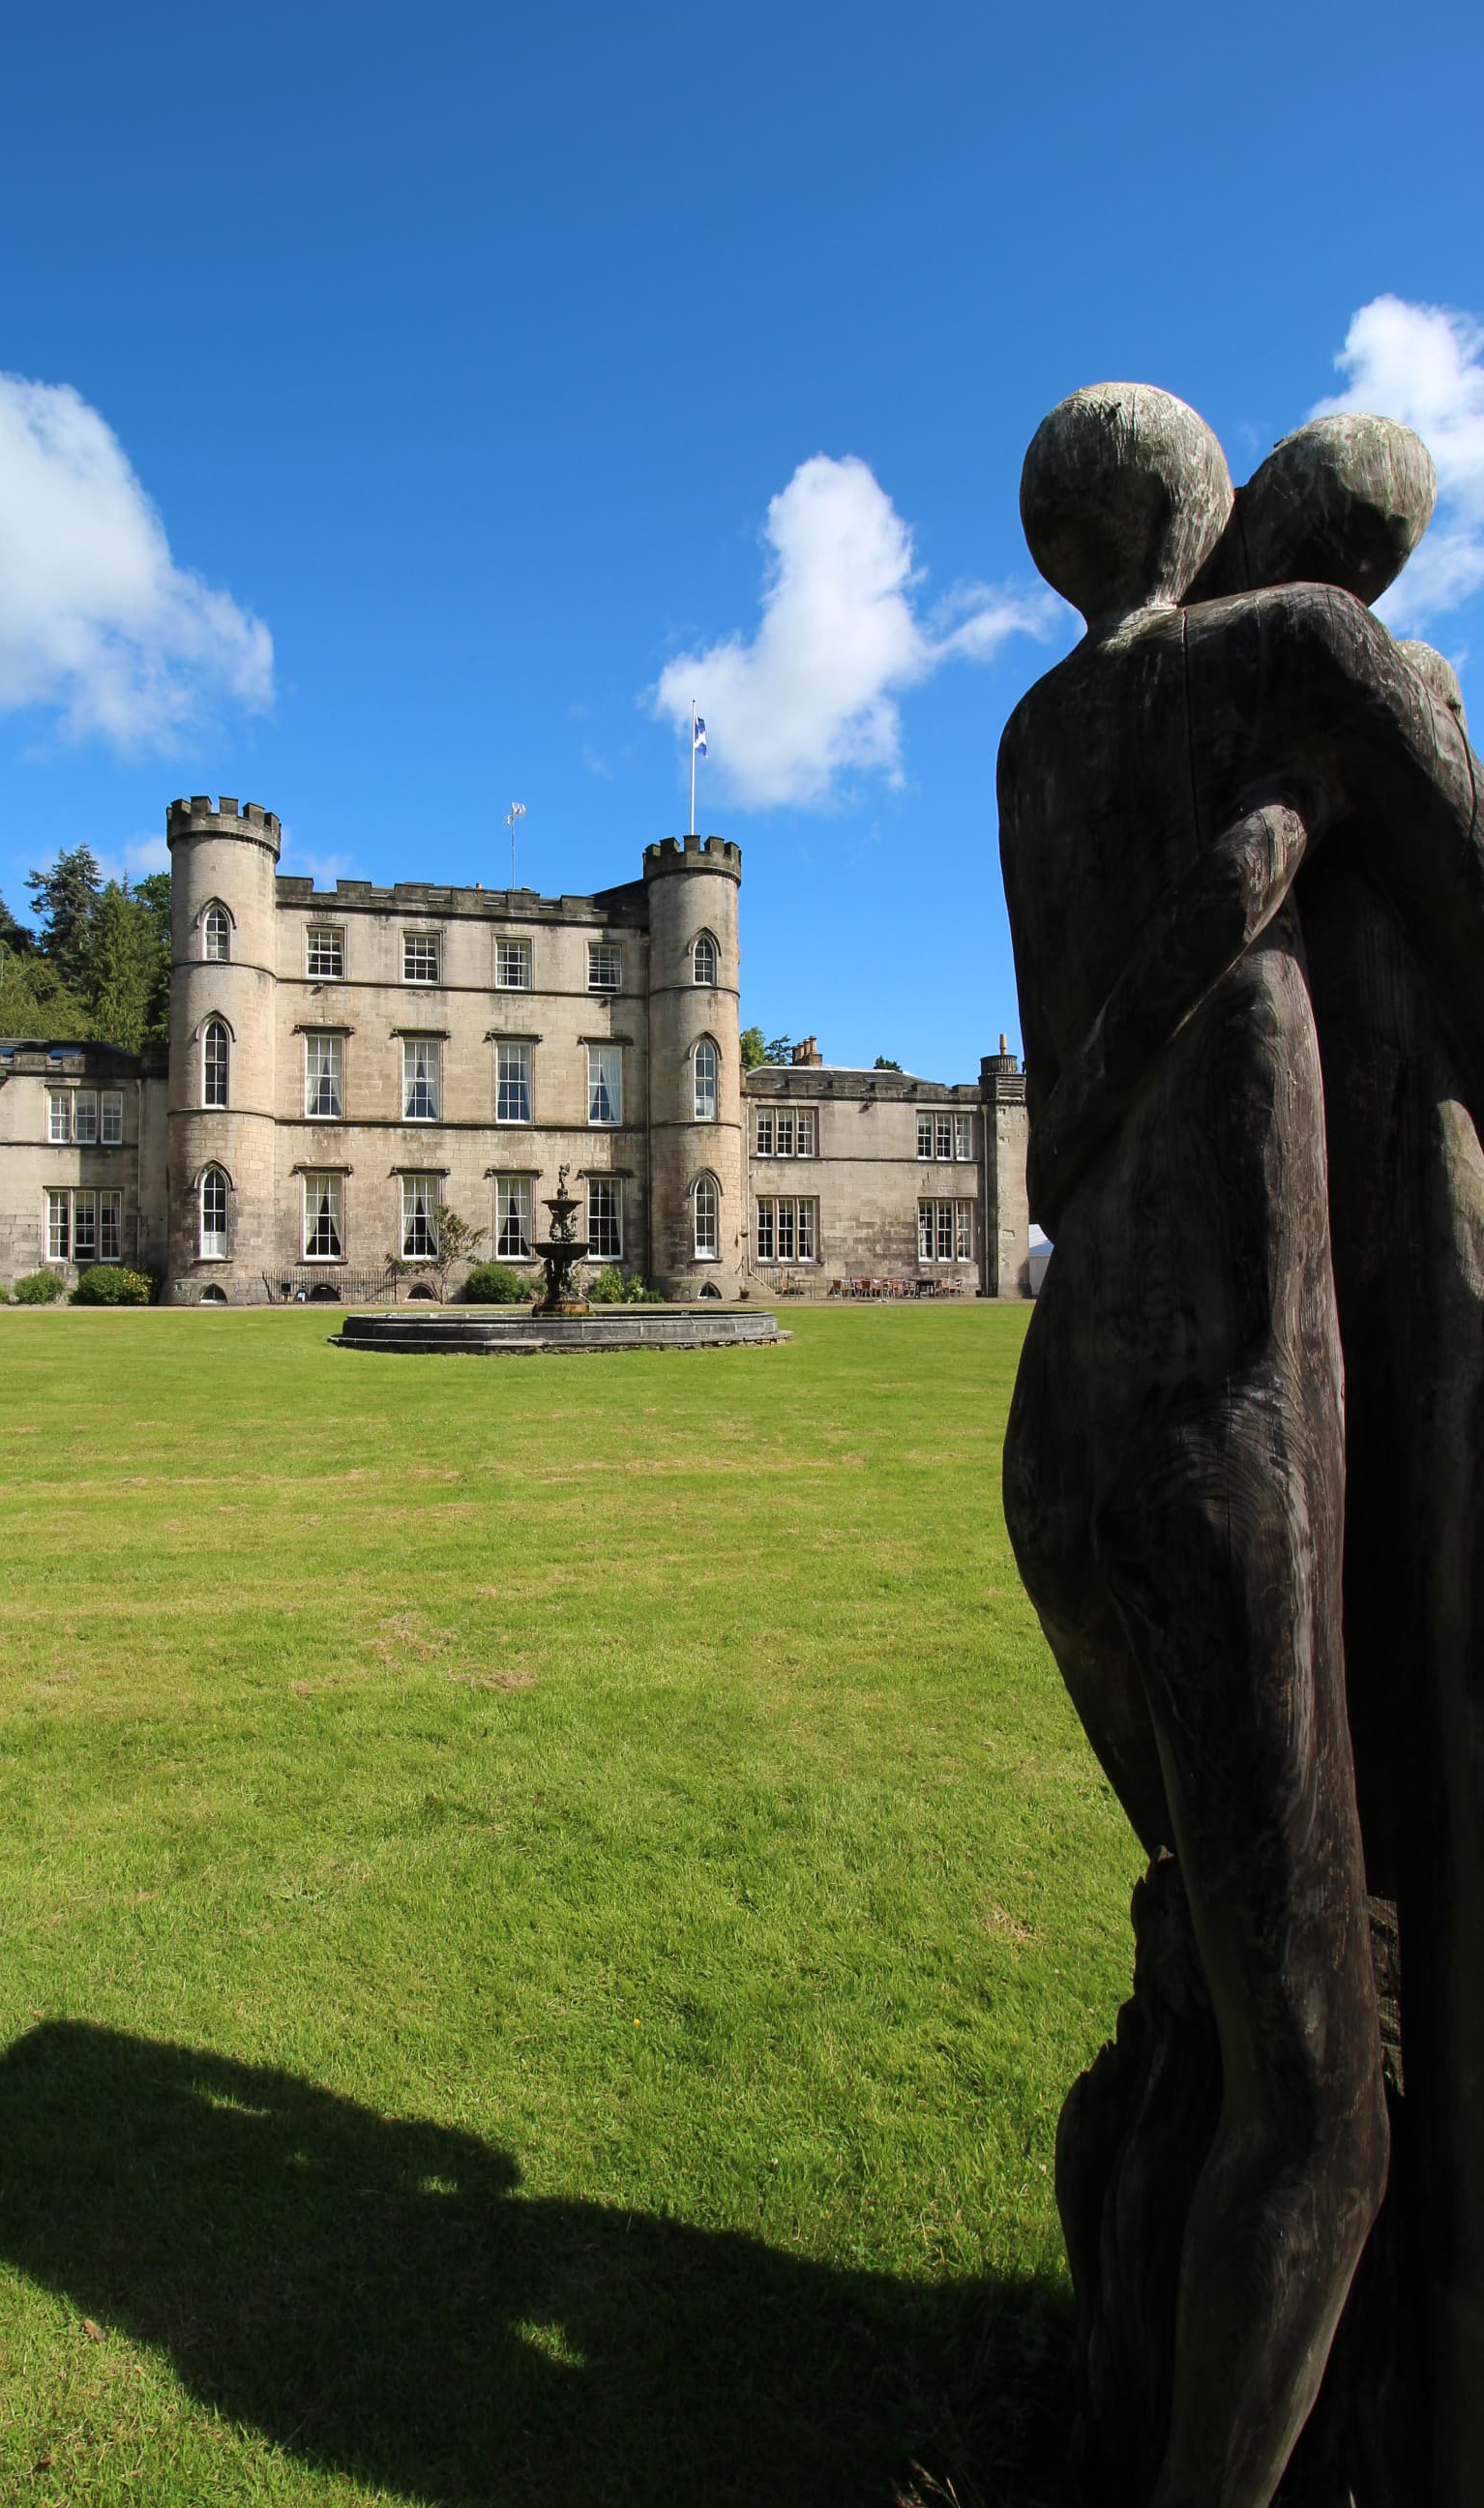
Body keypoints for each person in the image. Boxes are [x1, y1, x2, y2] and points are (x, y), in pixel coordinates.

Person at [999, 382, 1482, 2508]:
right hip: (1223, 1436)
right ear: (1216, 514)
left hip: (1057, 1440)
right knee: (1327, 2112)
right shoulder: (1295, 653)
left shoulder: (1031, 739)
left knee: (1201, 1972)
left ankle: (1111, 2388)